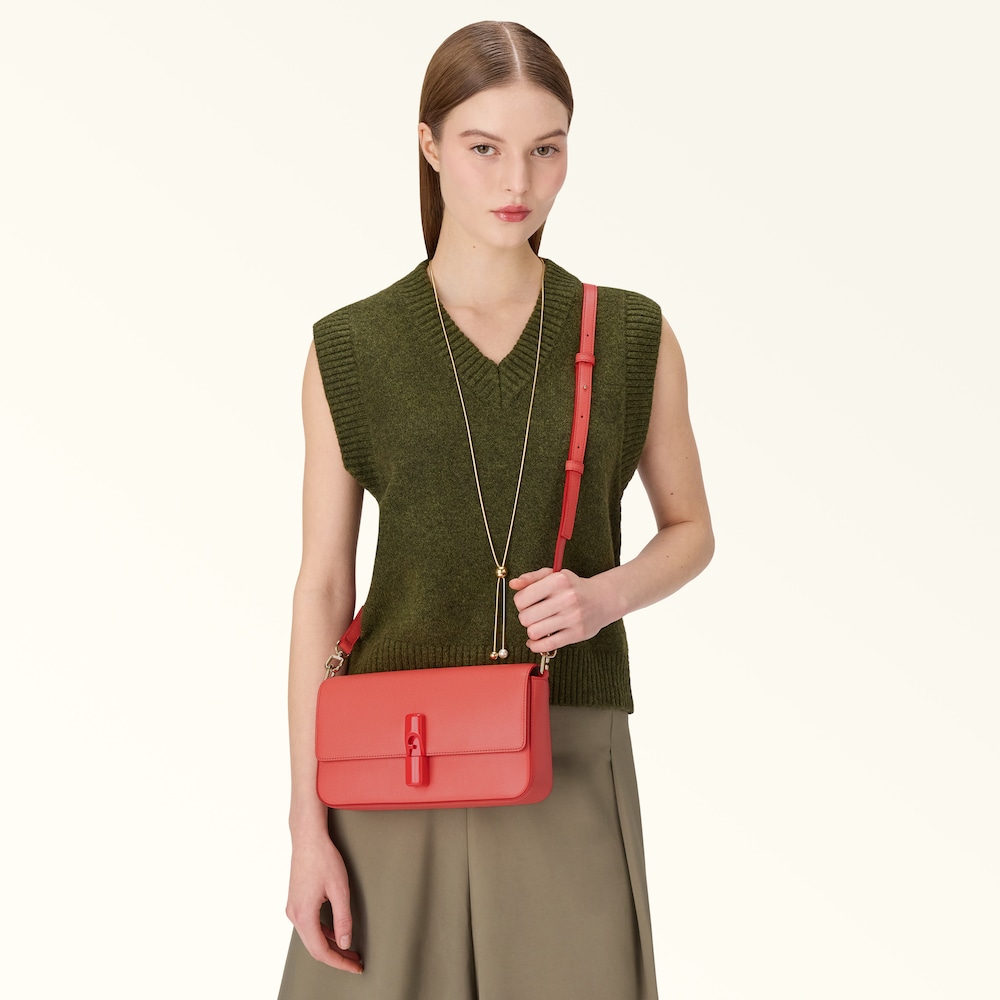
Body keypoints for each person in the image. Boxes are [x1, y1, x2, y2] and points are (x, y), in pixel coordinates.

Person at [278, 20, 714, 1000]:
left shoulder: (630, 334)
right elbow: (322, 588)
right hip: (390, 757)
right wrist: (307, 822)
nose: (518, 180)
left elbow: (691, 529)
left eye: (545, 149)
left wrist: (603, 597)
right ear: (430, 146)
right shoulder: (350, 348)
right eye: (484, 147)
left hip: (566, 745)